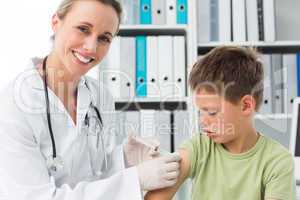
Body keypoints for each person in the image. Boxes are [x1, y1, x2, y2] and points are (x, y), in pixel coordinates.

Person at [0, 0, 181, 199]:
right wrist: (135, 181)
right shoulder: (14, 103)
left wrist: (124, 159)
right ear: (56, 22)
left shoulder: (100, 95)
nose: (91, 47)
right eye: (83, 29)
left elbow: (95, 175)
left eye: (104, 38)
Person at [145, 46, 296, 200]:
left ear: (246, 106)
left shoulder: (277, 161)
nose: (203, 121)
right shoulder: (200, 147)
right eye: (200, 112)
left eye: (212, 112)